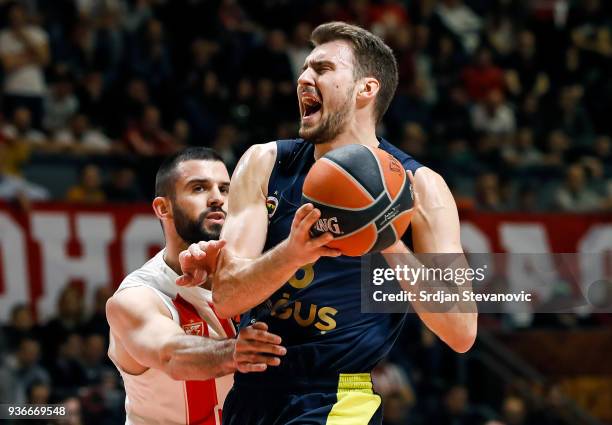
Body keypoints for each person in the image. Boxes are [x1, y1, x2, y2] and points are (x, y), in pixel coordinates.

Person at [180, 22, 478, 424]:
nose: (303, 78)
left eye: (321, 69)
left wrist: (387, 238)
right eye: (304, 68)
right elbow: (229, 297)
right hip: (252, 390)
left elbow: (461, 330)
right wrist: (293, 252)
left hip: (337, 397)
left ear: (365, 90)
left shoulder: (421, 187)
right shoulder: (266, 162)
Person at [105, 147, 286, 425]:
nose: (217, 199)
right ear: (163, 207)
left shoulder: (257, 274)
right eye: (199, 188)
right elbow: (172, 355)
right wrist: (236, 350)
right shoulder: (137, 296)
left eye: (226, 189)